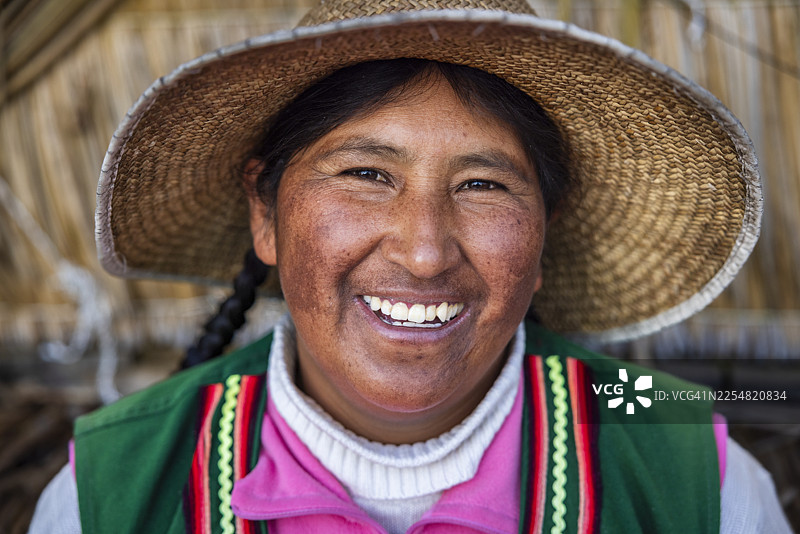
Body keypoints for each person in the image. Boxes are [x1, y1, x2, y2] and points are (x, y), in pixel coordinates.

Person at [30, 0, 794, 533]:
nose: (425, 252)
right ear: (265, 214)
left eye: (483, 185)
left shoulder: (697, 476)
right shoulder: (108, 492)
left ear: (543, 238)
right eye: (366, 174)